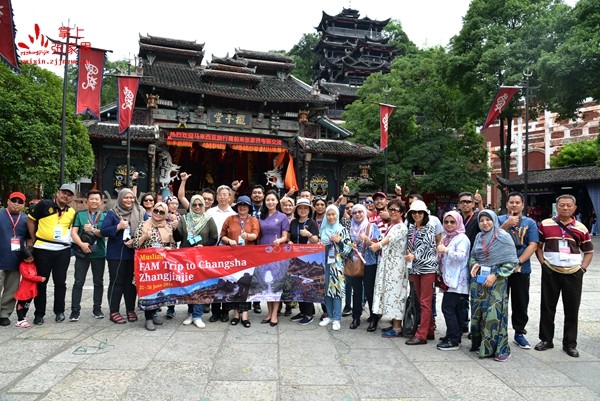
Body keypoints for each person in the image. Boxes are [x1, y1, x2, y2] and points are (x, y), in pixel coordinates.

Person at [535, 194, 594, 358]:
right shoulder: (545, 225)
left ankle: (570, 344)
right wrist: (543, 263)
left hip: (573, 273)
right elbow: (538, 246)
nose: (565, 208)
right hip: (551, 271)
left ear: (575, 208)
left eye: (569, 205)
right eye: (562, 205)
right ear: (557, 206)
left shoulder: (581, 228)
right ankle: (546, 340)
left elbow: (589, 251)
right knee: (547, 307)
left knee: (572, 309)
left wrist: (582, 269)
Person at [469, 210, 518, 362]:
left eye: (488, 220)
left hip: (497, 281)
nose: (485, 223)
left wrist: (495, 275)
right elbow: (473, 256)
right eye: (482, 220)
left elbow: (512, 262)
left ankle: (500, 349)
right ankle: (480, 344)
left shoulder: (503, 236)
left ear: (494, 220)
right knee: (478, 313)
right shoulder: (479, 236)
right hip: (479, 280)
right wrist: (474, 264)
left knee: (494, 314)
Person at [27, 183, 77, 325]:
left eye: (69, 194)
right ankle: (39, 313)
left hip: (62, 251)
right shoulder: (44, 204)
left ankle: (59, 311)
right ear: (58, 192)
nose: (65, 196)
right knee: (41, 282)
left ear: (71, 198)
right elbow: (30, 221)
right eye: (63, 192)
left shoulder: (71, 212)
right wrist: (33, 238)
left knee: (60, 282)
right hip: (43, 249)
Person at [498, 192, 539, 350]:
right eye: (511, 202)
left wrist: (518, 262)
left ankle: (519, 332)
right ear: (507, 204)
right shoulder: (499, 220)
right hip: (500, 268)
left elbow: (533, 244)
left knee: (520, 301)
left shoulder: (530, 222)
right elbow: (492, 238)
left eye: (517, 202)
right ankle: (499, 331)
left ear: (523, 205)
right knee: (500, 301)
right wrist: (506, 224)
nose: (514, 205)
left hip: (521, 269)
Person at [101, 188, 147, 325]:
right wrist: (118, 227)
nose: (129, 200)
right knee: (117, 282)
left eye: (131, 198)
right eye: (126, 198)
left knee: (131, 284)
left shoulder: (141, 211)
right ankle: (114, 311)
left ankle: (130, 309)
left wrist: (137, 239)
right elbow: (103, 231)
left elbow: (149, 227)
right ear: (120, 198)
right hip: (116, 254)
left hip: (134, 253)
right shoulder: (113, 213)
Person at [174, 195, 218, 328]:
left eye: (200, 204)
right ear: (191, 206)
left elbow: (214, 237)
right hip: (186, 257)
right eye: (194, 205)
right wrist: (175, 228)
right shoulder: (184, 218)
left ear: (204, 205)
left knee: (199, 286)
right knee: (188, 286)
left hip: (202, 257)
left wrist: (204, 246)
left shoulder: (208, 219)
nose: (197, 207)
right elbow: (177, 238)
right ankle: (190, 313)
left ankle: (198, 315)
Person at [133, 201, 176, 331]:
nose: (158, 214)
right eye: (156, 211)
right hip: (147, 266)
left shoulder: (168, 227)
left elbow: (173, 245)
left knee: (158, 290)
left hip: (161, 266)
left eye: (161, 212)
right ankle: (148, 318)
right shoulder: (143, 225)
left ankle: (155, 313)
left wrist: (169, 248)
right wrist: (144, 236)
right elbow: (135, 245)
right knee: (148, 290)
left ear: (165, 214)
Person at [370, 199, 409, 337]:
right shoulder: (392, 225)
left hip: (396, 267)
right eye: (391, 209)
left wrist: (378, 245)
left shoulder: (401, 227)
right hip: (388, 265)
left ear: (402, 213)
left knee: (396, 295)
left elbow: (389, 239)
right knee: (390, 294)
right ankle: (395, 324)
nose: (393, 212)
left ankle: (397, 328)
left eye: (396, 210)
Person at [220, 196, 260, 328]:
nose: (242, 207)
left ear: (249, 207)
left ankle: (245, 315)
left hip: (248, 257)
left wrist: (247, 236)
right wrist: (228, 240)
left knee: (246, 284)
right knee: (235, 284)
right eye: (240, 205)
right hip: (233, 257)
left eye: (245, 205)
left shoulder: (253, 219)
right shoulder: (230, 218)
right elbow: (223, 235)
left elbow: (255, 235)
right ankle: (236, 314)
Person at [69, 190, 107, 321]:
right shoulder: (80, 215)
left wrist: (94, 231)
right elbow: (73, 232)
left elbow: (105, 233)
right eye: (92, 199)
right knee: (78, 281)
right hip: (82, 253)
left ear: (101, 202)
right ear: (87, 201)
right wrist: (81, 245)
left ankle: (97, 309)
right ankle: (75, 310)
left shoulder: (105, 216)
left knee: (98, 282)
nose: (94, 201)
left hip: (99, 253)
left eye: (97, 199)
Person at [404, 200, 438, 345]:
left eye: (420, 212)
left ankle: (422, 334)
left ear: (425, 214)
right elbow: (408, 246)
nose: (417, 215)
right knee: (421, 300)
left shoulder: (429, 228)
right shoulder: (411, 228)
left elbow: (424, 245)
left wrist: (414, 255)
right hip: (415, 268)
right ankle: (429, 329)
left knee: (425, 301)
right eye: (414, 212)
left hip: (428, 268)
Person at [436, 211, 470, 350]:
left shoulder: (462, 238)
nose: (449, 224)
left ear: (458, 223)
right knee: (453, 309)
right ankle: (452, 334)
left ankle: (454, 340)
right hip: (449, 280)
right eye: (446, 222)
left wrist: (446, 250)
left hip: (458, 281)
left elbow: (460, 257)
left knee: (447, 308)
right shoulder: (447, 237)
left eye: (452, 222)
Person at [257, 190, 289, 326]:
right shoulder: (261, 216)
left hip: (277, 252)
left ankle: (275, 313)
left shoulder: (282, 217)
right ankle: (269, 312)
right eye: (268, 200)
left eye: (273, 200)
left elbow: (285, 236)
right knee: (266, 283)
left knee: (276, 283)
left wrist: (280, 241)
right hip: (263, 252)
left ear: (277, 201)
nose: (270, 202)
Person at [347, 204, 381, 330]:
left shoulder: (372, 227)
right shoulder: (350, 228)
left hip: (370, 263)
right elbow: (345, 246)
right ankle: (356, 317)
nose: (357, 215)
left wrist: (367, 240)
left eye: (360, 212)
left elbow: (379, 247)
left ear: (365, 213)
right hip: (355, 263)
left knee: (370, 290)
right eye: (355, 212)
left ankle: (374, 317)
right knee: (356, 291)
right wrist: (351, 246)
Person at [318, 205, 352, 331]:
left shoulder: (342, 230)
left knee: (336, 291)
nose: (331, 217)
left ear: (338, 215)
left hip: (337, 264)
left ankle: (337, 318)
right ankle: (330, 316)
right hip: (323, 263)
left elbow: (348, 250)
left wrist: (339, 241)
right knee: (326, 289)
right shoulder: (323, 230)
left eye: (334, 214)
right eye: (329, 214)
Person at [206, 185, 236, 322]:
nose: (223, 197)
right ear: (216, 197)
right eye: (220, 195)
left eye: (226, 195)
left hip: (229, 250)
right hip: (213, 250)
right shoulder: (210, 212)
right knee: (215, 282)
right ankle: (215, 312)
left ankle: (226, 311)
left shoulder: (234, 214)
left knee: (228, 281)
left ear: (230, 197)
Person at [288, 198, 320, 325]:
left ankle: (309, 313)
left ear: (309, 210)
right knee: (297, 284)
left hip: (308, 258)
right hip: (295, 258)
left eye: (305, 208)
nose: (303, 210)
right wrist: (289, 242)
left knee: (306, 285)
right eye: (300, 208)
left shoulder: (311, 223)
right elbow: (291, 237)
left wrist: (308, 234)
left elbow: (316, 240)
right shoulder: (294, 222)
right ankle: (302, 311)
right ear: (297, 210)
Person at [0, 192, 29, 326]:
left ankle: (4, 314)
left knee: (11, 289)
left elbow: (29, 239)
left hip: (15, 259)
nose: (16, 204)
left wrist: (29, 254)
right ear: (8, 201)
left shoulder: (25, 219)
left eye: (20, 202)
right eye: (14, 200)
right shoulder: (0, 215)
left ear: (23, 205)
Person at [14, 246, 46, 327]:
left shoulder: (33, 263)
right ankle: (20, 319)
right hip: (25, 288)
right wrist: (39, 278)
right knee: (21, 303)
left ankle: (23, 316)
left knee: (27, 304)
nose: (29, 260)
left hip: (31, 288)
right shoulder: (22, 265)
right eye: (27, 259)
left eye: (31, 258)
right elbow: (26, 276)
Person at [249, 184, 265, 314]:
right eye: (255, 193)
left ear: (263, 195)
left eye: (259, 193)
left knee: (259, 274)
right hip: (249, 245)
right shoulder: (247, 208)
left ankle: (257, 302)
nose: (257, 195)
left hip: (263, 244)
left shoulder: (268, 208)